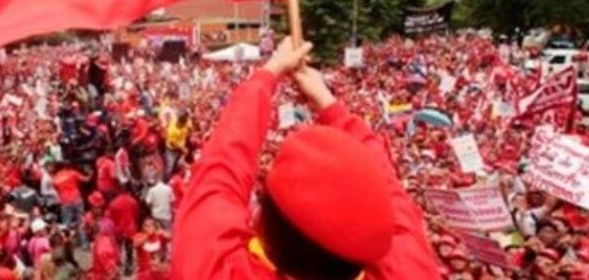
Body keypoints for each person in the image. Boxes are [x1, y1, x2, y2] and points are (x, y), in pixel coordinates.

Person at [172, 38, 441, 280]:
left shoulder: (216, 271)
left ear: (263, 225)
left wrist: (268, 75)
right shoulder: (412, 272)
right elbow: (387, 187)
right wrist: (329, 103)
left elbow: (220, 170)